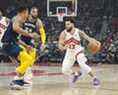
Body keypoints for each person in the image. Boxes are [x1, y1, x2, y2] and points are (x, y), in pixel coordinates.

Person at [2, 5, 39, 89]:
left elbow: (17, 39)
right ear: (24, 12)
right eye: (27, 13)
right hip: (8, 44)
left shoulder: (19, 21)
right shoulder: (17, 18)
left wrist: (26, 46)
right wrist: (30, 34)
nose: (28, 15)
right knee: (27, 59)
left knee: (26, 61)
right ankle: (16, 79)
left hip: (12, 44)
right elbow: (15, 28)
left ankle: (20, 81)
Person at [58, 18, 100, 87]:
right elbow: (60, 44)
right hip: (69, 52)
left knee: (82, 64)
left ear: (72, 24)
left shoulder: (79, 32)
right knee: (64, 70)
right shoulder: (63, 33)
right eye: (66, 25)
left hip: (78, 51)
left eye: (68, 24)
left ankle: (95, 78)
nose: (66, 26)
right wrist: (62, 48)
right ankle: (76, 74)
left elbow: (88, 39)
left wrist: (95, 42)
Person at [21, 6, 46, 84]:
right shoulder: (24, 18)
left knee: (31, 59)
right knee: (24, 59)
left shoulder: (38, 21)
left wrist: (43, 43)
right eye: (33, 12)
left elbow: (42, 33)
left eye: (36, 12)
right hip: (21, 40)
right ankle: (22, 77)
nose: (35, 13)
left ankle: (27, 76)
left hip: (30, 41)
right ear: (30, 12)